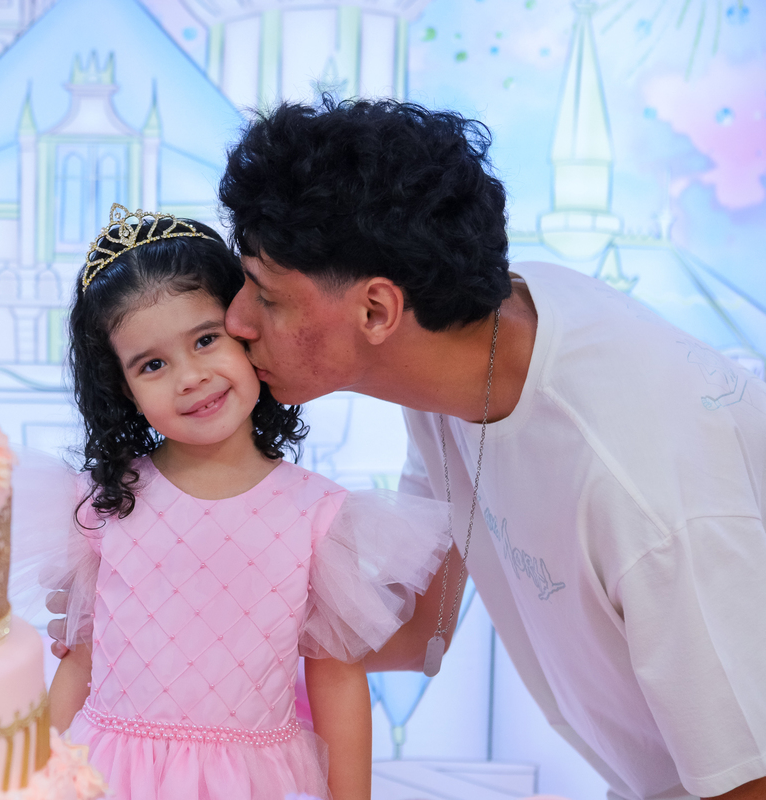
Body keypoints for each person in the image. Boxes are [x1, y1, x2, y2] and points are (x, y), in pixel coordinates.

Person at [209, 97, 766, 800]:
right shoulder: (456, 356)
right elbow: (421, 629)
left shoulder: (640, 488)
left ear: (377, 310)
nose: (235, 319)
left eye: (265, 296)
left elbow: (748, 778)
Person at [27, 204, 453, 800]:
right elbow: (79, 662)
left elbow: (336, 679)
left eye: (206, 340)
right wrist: (34, 781)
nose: (190, 377)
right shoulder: (103, 506)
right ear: (123, 388)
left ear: (248, 329)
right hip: (111, 775)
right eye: (153, 364)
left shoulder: (318, 517)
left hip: (253, 781)